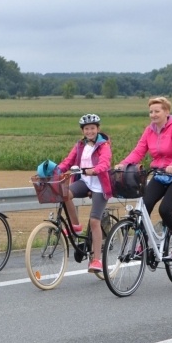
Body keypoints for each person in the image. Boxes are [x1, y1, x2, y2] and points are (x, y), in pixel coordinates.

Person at [115, 97, 172, 266]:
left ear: (166, 112)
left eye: (157, 111)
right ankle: (142, 244)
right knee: (144, 207)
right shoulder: (149, 130)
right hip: (160, 174)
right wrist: (124, 164)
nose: (153, 114)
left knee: (165, 209)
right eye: (151, 112)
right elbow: (139, 151)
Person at [55, 114, 113, 273]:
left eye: (92, 128)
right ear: (83, 131)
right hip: (85, 182)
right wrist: (55, 171)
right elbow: (68, 161)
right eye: (86, 129)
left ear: (98, 129)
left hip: (99, 185)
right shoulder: (80, 145)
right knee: (64, 194)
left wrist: (95, 170)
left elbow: (105, 162)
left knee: (94, 221)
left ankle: (97, 260)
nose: (89, 131)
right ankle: (76, 227)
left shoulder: (104, 145)